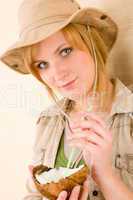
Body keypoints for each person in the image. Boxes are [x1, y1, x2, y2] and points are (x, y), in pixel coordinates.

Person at [0, 0, 133, 199]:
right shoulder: (48, 120)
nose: (57, 74)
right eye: (42, 64)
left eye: (65, 51)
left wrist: (105, 174)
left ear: (90, 41)